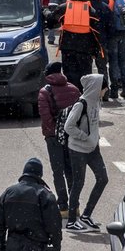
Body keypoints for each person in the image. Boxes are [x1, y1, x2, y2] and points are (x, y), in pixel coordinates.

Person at [64, 73, 109, 232]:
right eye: (104, 87)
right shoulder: (81, 104)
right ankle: (71, 221)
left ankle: (86, 216)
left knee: (103, 178)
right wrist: (85, 137)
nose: (106, 90)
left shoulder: (97, 101)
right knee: (78, 183)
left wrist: (94, 139)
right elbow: (68, 126)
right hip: (77, 150)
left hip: (93, 148)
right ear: (96, 88)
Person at [37, 62, 80, 218]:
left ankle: (63, 205)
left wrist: (55, 131)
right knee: (71, 170)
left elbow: (45, 116)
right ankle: (75, 205)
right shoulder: (74, 90)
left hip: (53, 137)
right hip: (71, 137)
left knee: (58, 171)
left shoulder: (44, 92)